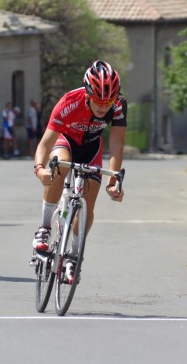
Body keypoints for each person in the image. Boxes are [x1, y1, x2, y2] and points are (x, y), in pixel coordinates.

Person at [31, 60, 126, 284]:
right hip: (65, 142)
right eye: (98, 100)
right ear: (87, 93)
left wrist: (113, 181)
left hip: (91, 148)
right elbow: (46, 143)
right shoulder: (69, 101)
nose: (103, 107)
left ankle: (73, 256)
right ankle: (44, 228)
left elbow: (117, 144)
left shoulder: (119, 106)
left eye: (108, 101)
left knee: (90, 198)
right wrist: (40, 169)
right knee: (59, 165)